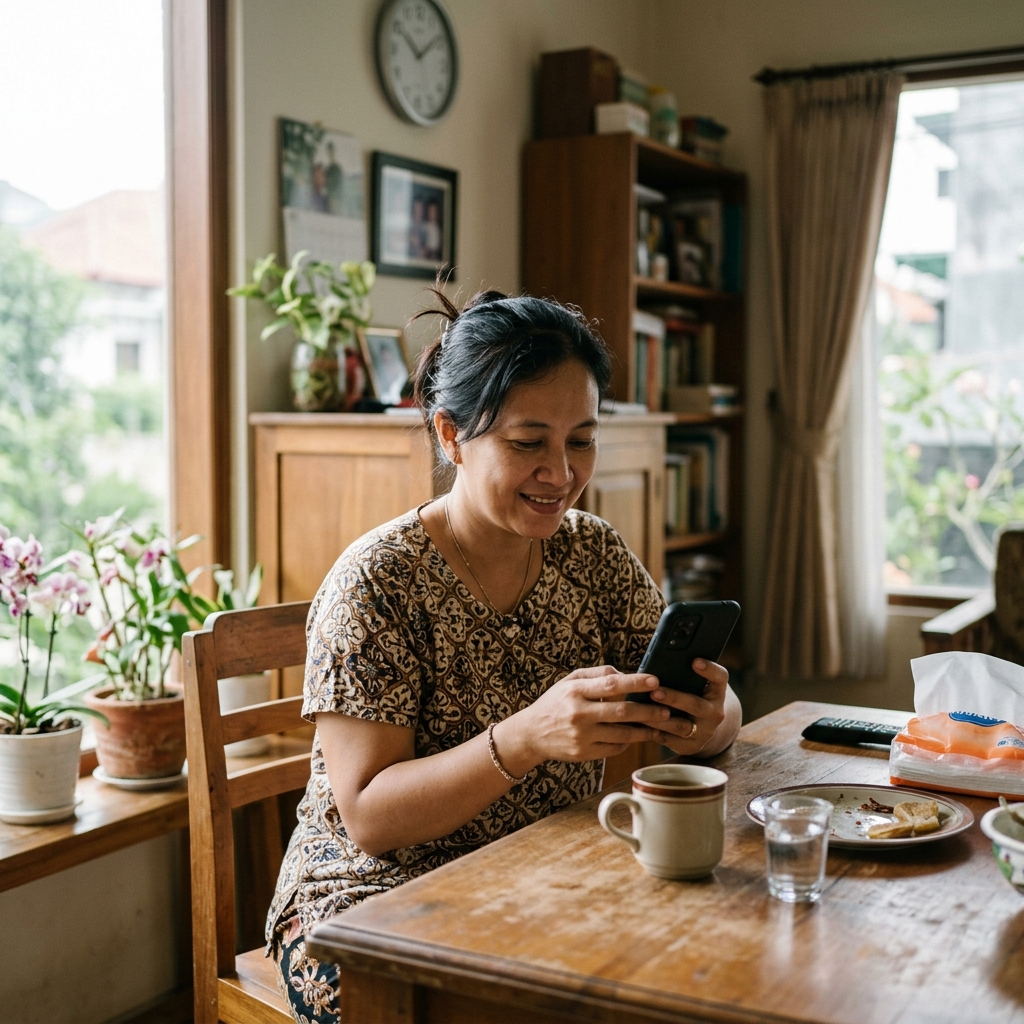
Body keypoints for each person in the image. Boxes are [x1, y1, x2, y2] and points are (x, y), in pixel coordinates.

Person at [266, 290, 742, 1022]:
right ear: (451, 434)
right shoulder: (377, 582)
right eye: (528, 444)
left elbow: (722, 715)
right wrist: (525, 737)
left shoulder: (592, 552)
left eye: (580, 440)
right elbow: (368, 816)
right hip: (370, 909)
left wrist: (708, 716)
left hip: (542, 870)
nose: (561, 472)